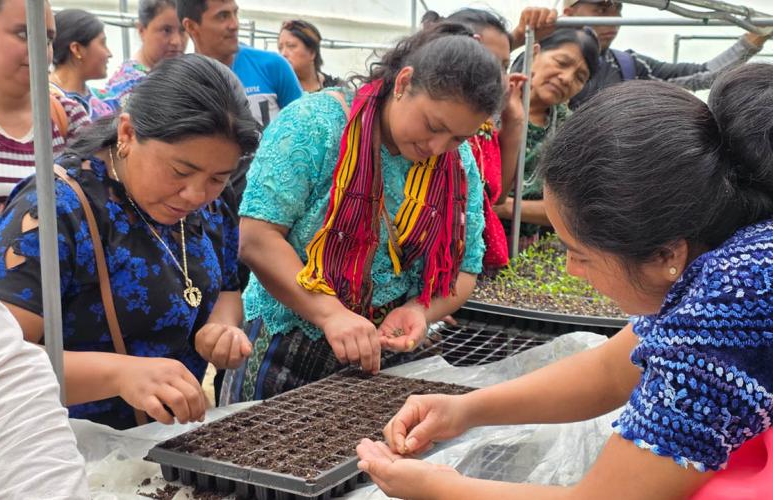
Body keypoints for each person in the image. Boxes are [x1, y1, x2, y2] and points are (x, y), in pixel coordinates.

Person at [357, 63, 773, 499]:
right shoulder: (732, 253)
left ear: (667, 254)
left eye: (581, 255)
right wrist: (464, 410)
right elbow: (613, 369)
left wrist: (443, 489)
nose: (573, 270)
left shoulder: (730, 303)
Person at [220, 22, 503, 404]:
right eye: (434, 126)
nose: (438, 147)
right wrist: (330, 313)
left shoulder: (458, 163)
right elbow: (256, 238)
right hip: (288, 342)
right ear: (403, 83)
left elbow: (466, 268)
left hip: (385, 352)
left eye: (457, 137)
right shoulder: (316, 125)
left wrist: (420, 310)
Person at [0, 54, 260, 430]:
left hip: (167, 442)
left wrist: (222, 327)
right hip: (66, 445)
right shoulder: (53, 210)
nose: (196, 194)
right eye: (181, 171)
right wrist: (119, 375)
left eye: (217, 177)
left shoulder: (212, 204)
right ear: (127, 134)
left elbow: (229, 286)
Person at [0, 0, 89, 264]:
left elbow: (97, 216)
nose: (41, 50)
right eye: (24, 34)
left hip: (55, 302)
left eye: (48, 38)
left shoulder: (69, 116)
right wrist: (52, 222)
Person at [0, 267, 89, 499]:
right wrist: (116, 374)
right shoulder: (42, 236)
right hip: (86, 425)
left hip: (84, 447)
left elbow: (2, 379)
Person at [426, 8, 526, 271]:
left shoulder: (481, 126)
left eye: (505, 66)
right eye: (492, 64)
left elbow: (497, 197)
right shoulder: (439, 130)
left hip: (472, 265)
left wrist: (514, 121)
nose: (502, 79)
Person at [552, 0, 771, 109]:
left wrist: (752, 41)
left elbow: (701, 75)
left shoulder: (628, 65)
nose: (613, 17)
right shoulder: (538, 59)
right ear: (569, 13)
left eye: (618, 8)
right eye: (601, 9)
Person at [496, 28, 599, 250]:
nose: (566, 78)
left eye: (580, 77)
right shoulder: (491, 100)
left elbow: (572, 208)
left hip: (524, 251)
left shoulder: (572, 131)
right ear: (534, 53)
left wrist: (505, 207)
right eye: (562, 63)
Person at [177, 0, 302, 127]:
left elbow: (304, 132)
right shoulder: (180, 83)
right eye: (223, 16)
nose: (235, 24)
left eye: (235, 13)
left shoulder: (273, 66)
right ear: (191, 26)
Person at [95, 0, 188, 118]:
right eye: (166, 30)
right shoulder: (130, 87)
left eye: (183, 30)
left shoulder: (180, 75)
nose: (176, 41)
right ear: (141, 30)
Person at [50, 8, 113, 118]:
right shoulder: (46, 103)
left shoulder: (109, 101)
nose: (109, 53)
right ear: (77, 49)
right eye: (103, 43)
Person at [278, 19, 341, 93]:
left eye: (291, 46)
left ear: (312, 52)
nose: (283, 54)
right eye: (280, 48)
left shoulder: (336, 89)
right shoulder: (276, 90)